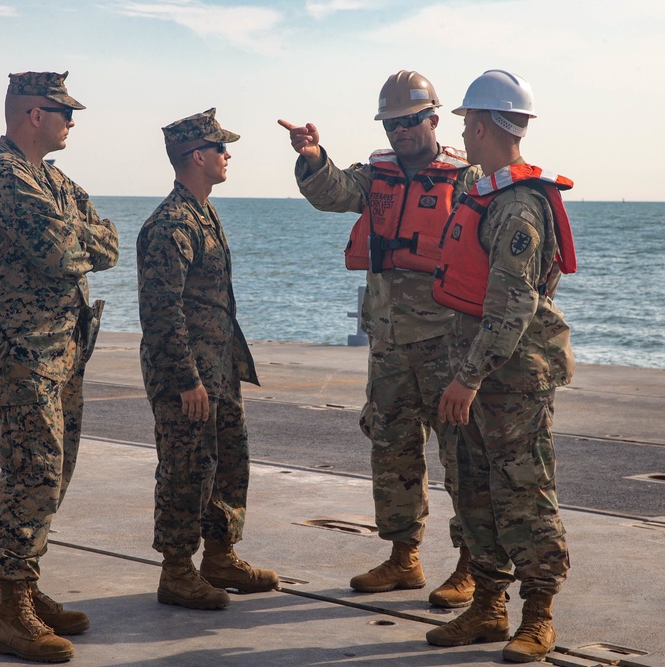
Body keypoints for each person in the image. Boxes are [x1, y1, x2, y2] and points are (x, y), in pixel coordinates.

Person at [279, 70, 482, 608]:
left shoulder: (467, 177)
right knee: (392, 453)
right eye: (392, 124)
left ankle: (471, 565)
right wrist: (313, 155)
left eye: (410, 122)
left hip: (446, 343)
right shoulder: (376, 176)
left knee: (463, 460)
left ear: (433, 119)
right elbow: (331, 192)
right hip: (390, 344)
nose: (400, 132)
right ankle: (403, 558)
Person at [0, 70, 119, 663]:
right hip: (22, 351)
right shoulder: (3, 177)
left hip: (62, 349)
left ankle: (26, 586)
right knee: (31, 472)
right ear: (34, 115)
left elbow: (104, 243)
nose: (71, 123)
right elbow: (63, 253)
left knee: (53, 473)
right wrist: (80, 235)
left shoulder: (51, 180)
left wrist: (80, 233)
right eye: (63, 112)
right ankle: (11, 611)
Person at [424, 69, 577, 663]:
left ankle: (538, 615)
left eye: (466, 120)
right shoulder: (486, 192)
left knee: (525, 491)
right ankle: (488, 606)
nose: (464, 128)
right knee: (474, 487)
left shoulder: (517, 207)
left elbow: (512, 305)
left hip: (509, 381)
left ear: (483, 126)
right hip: (476, 374)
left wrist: (468, 376)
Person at [137, 108, 279, 611]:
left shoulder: (203, 212)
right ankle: (177, 570)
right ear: (197, 156)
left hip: (218, 367)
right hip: (188, 374)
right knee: (186, 468)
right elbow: (160, 311)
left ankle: (220, 556)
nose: (228, 155)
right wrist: (186, 380)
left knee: (229, 461)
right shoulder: (171, 224)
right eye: (221, 148)